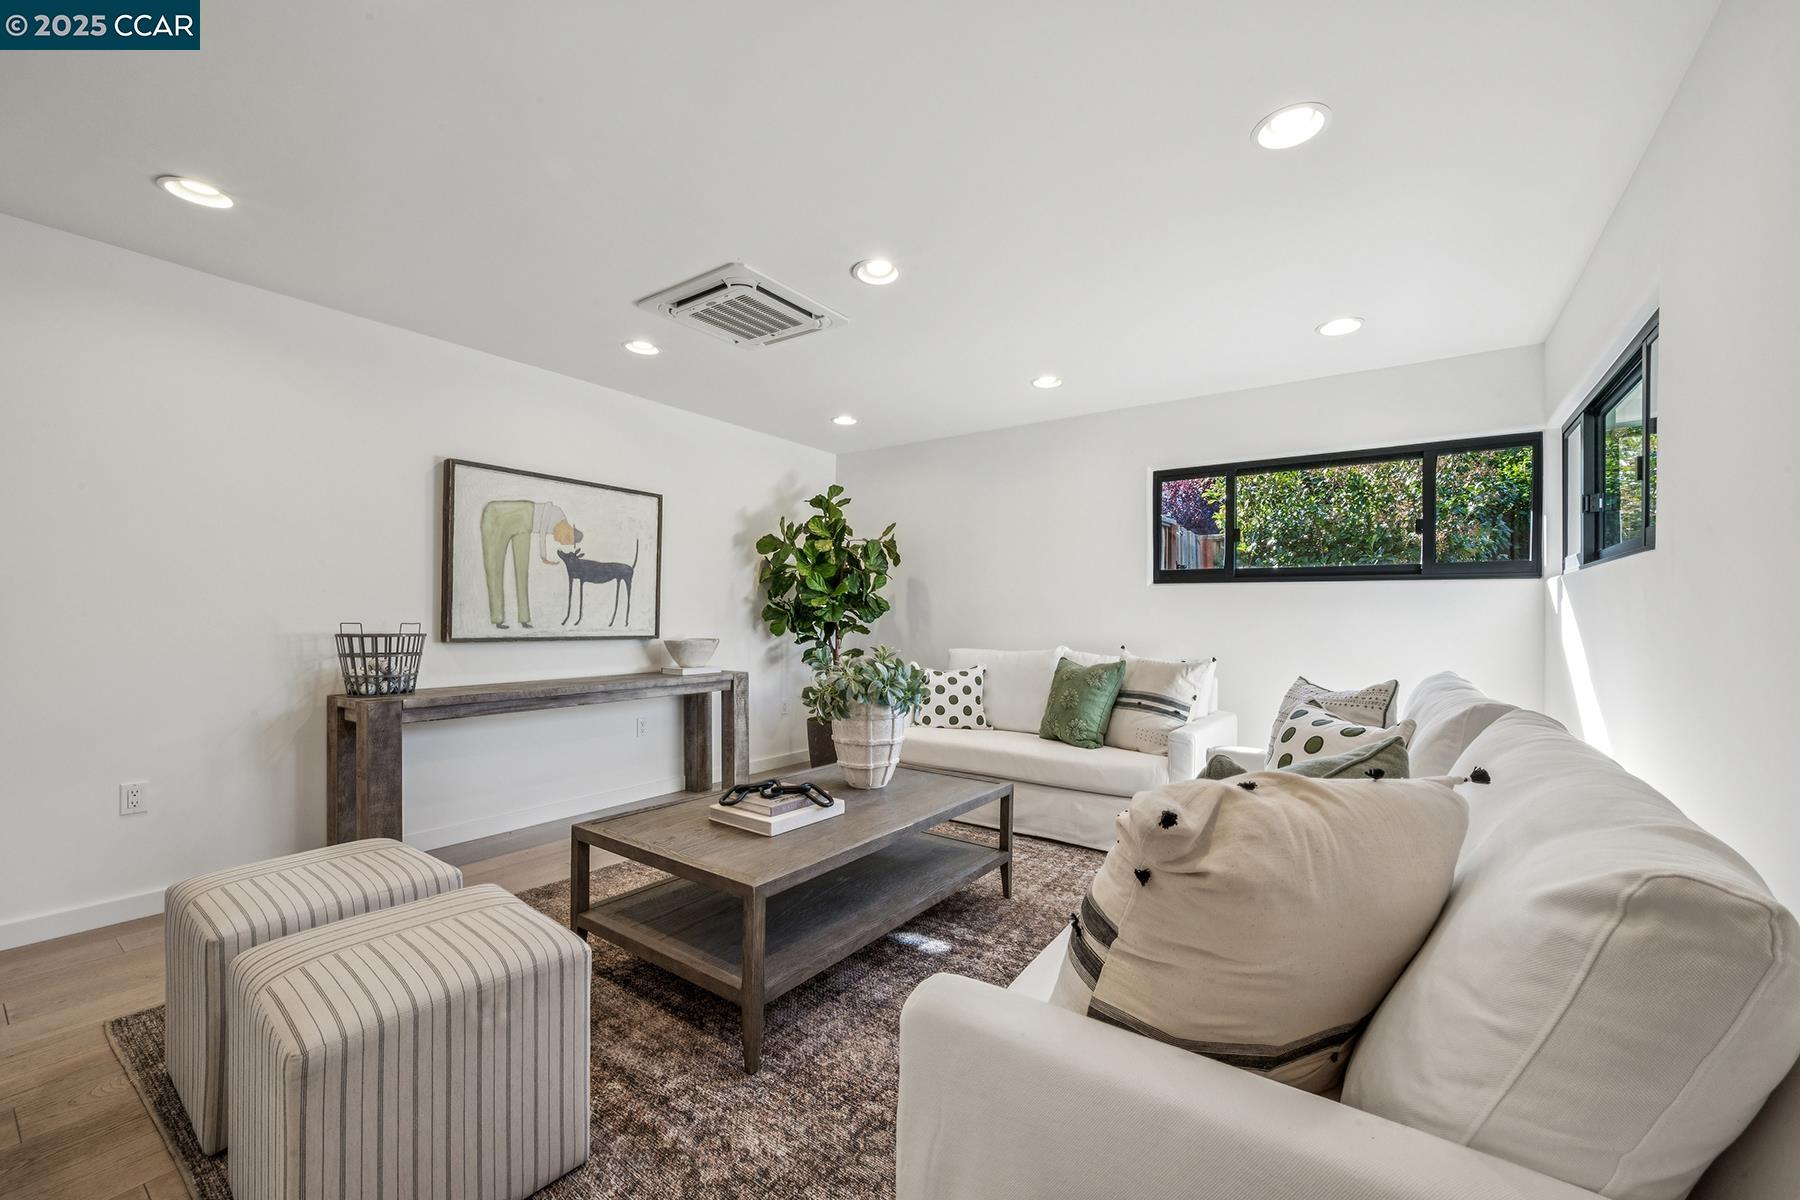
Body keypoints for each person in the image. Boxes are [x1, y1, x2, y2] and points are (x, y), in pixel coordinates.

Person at [479, 499, 582, 628]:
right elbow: (543, 527)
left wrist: (544, 556)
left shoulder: (558, 528)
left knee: (522, 573)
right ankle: (497, 618)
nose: (560, 540)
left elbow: (543, 530)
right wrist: (543, 555)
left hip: (526, 527)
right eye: (566, 538)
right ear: (568, 527)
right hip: (501, 516)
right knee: (494, 566)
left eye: (564, 542)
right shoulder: (558, 513)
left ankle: (524, 619)